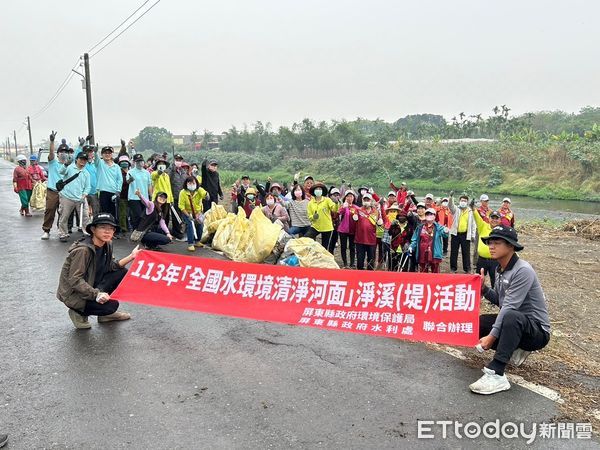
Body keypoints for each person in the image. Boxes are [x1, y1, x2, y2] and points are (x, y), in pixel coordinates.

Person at [470, 225, 550, 395]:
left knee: (511, 316)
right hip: (514, 322)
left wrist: (492, 337)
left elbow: (509, 307)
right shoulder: (500, 269)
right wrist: (483, 289)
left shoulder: (523, 270)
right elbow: (501, 301)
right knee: (479, 323)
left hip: (536, 331)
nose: (491, 246)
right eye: (489, 242)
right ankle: (513, 349)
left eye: (497, 243)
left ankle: (497, 373)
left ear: (511, 246)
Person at [56, 213, 136, 329]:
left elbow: (111, 267)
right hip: (75, 294)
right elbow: (75, 280)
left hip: (91, 284)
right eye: (103, 227)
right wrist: (97, 294)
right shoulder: (83, 250)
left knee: (121, 272)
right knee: (110, 306)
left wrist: (131, 257)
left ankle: (104, 316)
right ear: (93, 229)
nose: (107, 232)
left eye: (111, 229)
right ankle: (78, 312)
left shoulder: (107, 244)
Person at [57, 151, 91, 242]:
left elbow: (88, 187)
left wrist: (84, 195)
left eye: (85, 160)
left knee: (85, 216)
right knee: (64, 216)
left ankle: (87, 232)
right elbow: (61, 172)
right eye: (81, 159)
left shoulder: (86, 173)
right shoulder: (70, 167)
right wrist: (66, 164)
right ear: (77, 159)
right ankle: (63, 233)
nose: (83, 161)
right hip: (67, 196)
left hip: (80, 198)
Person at [409, 208, 449, 273]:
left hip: (434, 252)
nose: (429, 215)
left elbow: (444, 234)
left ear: (434, 216)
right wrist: (411, 246)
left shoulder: (438, 227)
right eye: (427, 214)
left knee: (435, 270)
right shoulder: (420, 227)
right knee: (423, 269)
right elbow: (415, 239)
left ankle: (435, 283)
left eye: (431, 214)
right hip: (422, 252)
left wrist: (446, 231)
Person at [41, 131, 64, 239]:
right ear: (58, 153)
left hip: (64, 192)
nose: (63, 154)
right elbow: (51, 153)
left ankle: (61, 230)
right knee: (50, 210)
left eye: (65, 152)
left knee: (63, 212)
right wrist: (52, 141)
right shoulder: (53, 162)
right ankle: (46, 230)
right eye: (61, 152)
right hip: (52, 191)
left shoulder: (68, 165)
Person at [94, 146, 122, 231]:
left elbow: (119, 179)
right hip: (103, 191)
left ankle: (113, 230)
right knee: (104, 212)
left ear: (112, 154)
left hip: (114, 192)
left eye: (109, 153)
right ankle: (104, 229)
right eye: (105, 153)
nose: (107, 154)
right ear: (102, 154)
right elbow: (96, 159)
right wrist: (95, 152)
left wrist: (118, 191)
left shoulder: (116, 166)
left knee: (113, 212)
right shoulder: (100, 163)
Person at [472, 206, 502, 287]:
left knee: (495, 281)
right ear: (489, 219)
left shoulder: (502, 231)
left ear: (500, 220)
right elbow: (477, 218)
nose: (494, 220)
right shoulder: (483, 226)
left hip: (496, 261)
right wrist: (473, 209)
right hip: (482, 259)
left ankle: (495, 297)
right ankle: (477, 296)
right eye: (492, 218)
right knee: (478, 280)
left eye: (497, 218)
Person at [305, 183, 339, 251]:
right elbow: (309, 217)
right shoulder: (310, 203)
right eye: (316, 189)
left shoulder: (327, 200)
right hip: (315, 226)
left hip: (327, 227)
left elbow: (334, 209)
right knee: (306, 238)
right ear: (314, 191)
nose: (318, 190)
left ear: (322, 191)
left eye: (320, 189)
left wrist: (336, 203)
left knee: (325, 247)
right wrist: (313, 217)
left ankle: (325, 260)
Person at [448, 193, 476, 273]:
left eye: (465, 201)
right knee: (454, 252)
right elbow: (450, 205)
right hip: (455, 234)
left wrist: (473, 235)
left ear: (467, 202)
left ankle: (467, 269)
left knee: (466, 252)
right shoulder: (456, 209)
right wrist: (451, 197)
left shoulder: (470, 211)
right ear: (459, 201)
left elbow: (473, 224)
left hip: (465, 234)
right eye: (462, 200)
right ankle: (453, 268)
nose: (463, 202)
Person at [179, 176, 208, 252]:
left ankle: (197, 241)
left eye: (193, 183)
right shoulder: (183, 192)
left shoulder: (199, 190)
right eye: (189, 183)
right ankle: (190, 244)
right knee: (190, 225)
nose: (192, 184)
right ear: (186, 184)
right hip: (187, 212)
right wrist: (188, 215)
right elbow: (181, 206)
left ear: (196, 183)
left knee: (200, 225)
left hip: (198, 212)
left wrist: (205, 194)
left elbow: (206, 197)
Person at [354, 193, 381, 270]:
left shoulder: (376, 211)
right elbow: (354, 218)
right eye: (365, 200)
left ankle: (370, 276)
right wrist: (354, 217)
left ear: (371, 201)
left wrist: (380, 222)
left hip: (371, 240)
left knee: (371, 260)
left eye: (368, 200)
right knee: (360, 259)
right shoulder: (358, 210)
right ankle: (359, 275)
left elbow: (379, 222)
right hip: (360, 240)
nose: (366, 201)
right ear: (362, 200)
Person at [127, 154, 152, 230]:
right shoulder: (130, 172)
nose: (140, 163)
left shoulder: (147, 173)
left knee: (144, 215)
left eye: (141, 161)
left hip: (144, 197)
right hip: (134, 197)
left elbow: (149, 185)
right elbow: (128, 181)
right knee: (137, 215)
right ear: (134, 162)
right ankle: (136, 230)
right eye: (137, 161)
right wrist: (130, 179)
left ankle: (142, 231)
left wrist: (151, 196)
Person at [336, 190, 359, 268]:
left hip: (353, 230)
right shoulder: (343, 206)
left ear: (354, 198)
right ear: (345, 197)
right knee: (343, 247)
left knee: (352, 247)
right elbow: (339, 212)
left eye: (351, 196)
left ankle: (352, 263)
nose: (350, 198)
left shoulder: (356, 208)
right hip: (343, 230)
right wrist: (343, 206)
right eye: (348, 196)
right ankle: (345, 263)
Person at [168, 154, 188, 238]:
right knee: (175, 215)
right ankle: (176, 231)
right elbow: (168, 178)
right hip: (174, 196)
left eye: (180, 160)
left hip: (182, 197)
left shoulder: (183, 171)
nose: (179, 161)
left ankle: (181, 229)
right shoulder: (170, 170)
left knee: (182, 214)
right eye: (177, 160)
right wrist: (173, 169)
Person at [83, 144, 100, 217]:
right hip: (84, 192)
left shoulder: (95, 164)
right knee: (84, 213)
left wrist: (96, 153)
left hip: (94, 191)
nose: (89, 154)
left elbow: (97, 160)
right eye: (87, 152)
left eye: (91, 152)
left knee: (96, 212)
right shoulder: (82, 163)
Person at [117, 155, 131, 233]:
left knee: (131, 213)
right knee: (122, 213)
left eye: (126, 162)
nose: (124, 163)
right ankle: (123, 228)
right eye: (122, 162)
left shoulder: (131, 172)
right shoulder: (118, 172)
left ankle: (130, 226)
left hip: (132, 195)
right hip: (122, 195)